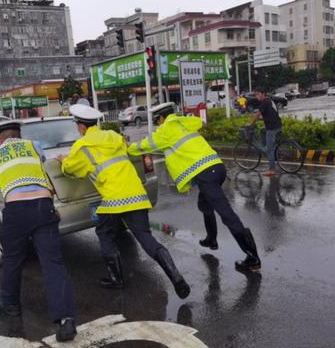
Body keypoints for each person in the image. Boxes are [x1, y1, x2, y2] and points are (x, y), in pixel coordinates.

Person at [57, 104, 191, 299]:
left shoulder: (82, 145)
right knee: (145, 238)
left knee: (104, 233)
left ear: (81, 127)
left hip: (113, 198)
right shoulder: (114, 136)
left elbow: (70, 170)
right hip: (136, 193)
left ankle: (116, 279)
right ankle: (176, 276)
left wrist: (63, 160)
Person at [128, 110, 261, 272]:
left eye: (157, 121)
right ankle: (211, 239)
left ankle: (252, 257)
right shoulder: (185, 125)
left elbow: (144, 145)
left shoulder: (166, 131)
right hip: (217, 168)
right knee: (204, 204)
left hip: (206, 175)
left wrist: (128, 148)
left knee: (227, 215)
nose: (158, 124)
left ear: (162, 118)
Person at [0, 122, 77, 342]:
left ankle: (10, 305)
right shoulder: (34, 146)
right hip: (43, 207)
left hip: (16, 210)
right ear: (19, 135)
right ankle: (66, 321)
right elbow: (41, 168)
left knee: (13, 259)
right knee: (53, 263)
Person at [248, 87, 282, 176]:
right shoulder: (269, 101)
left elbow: (258, 114)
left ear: (263, 94)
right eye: (256, 94)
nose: (256, 96)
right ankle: (266, 146)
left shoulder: (264, 102)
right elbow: (268, 114)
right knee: (262, 130)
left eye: (258, 94)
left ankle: (272, 170)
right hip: (277, 125)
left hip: (272, 128)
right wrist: (258, 120)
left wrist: (251, 123)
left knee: (270, 150)